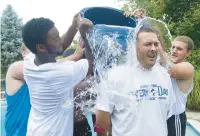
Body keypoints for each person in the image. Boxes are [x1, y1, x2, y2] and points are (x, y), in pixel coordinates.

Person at [95, 25, 176, 136]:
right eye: (148, 44)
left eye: (156, 44)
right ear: (134, 47)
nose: (153, 48)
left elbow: (166, 113)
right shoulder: (116, 76)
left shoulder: (164, 75)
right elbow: (102, 117)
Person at [22, 13, 94, 136]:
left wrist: (73, 26)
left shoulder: (30, 62)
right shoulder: (60, 74)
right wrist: (85, 35)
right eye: (56, 39)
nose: (60, 40)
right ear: (41, 47)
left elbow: (60, 46)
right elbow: (92, 64)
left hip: (35, 131)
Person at [159, 36, 195, 136]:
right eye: (173, 47)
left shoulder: (187, 67)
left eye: (179, 49)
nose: (174, 51)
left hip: (175, 118)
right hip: (161, 116)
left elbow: (168, 70)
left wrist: (158, 44)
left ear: (188, 53)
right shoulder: (166, 62)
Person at [5, 44, 30, 136]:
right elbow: (40, 69)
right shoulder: (15, 68)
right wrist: (75, 56)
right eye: (32, 51)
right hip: (18, 131)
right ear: (24, 53)